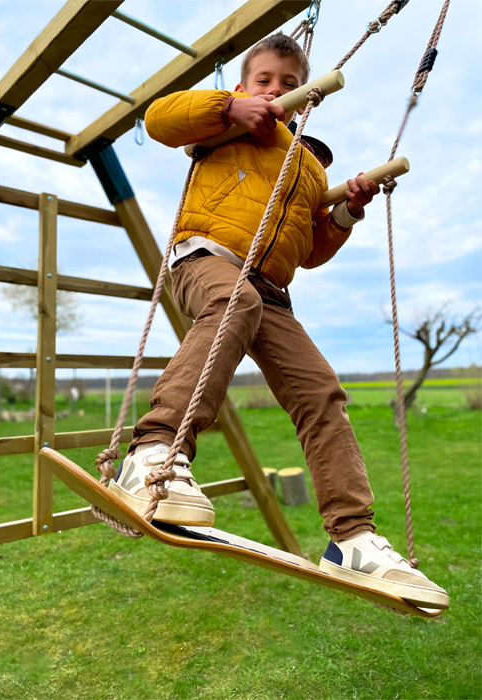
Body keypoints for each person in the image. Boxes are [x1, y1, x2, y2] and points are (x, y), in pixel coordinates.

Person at [109, 33, 448, 609]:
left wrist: (345, 211)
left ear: (308, 97)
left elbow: (309, 251)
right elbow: (160, 118)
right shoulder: (226, 123)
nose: (277, 91)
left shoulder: (310, 170)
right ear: (245, 84)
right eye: (265, 80)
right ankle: (153, 454)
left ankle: (353, 537)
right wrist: (228, 106)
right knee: (233, 302)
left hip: (270, 291)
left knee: (321, 392)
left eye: (289, 85)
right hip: (207, 259)